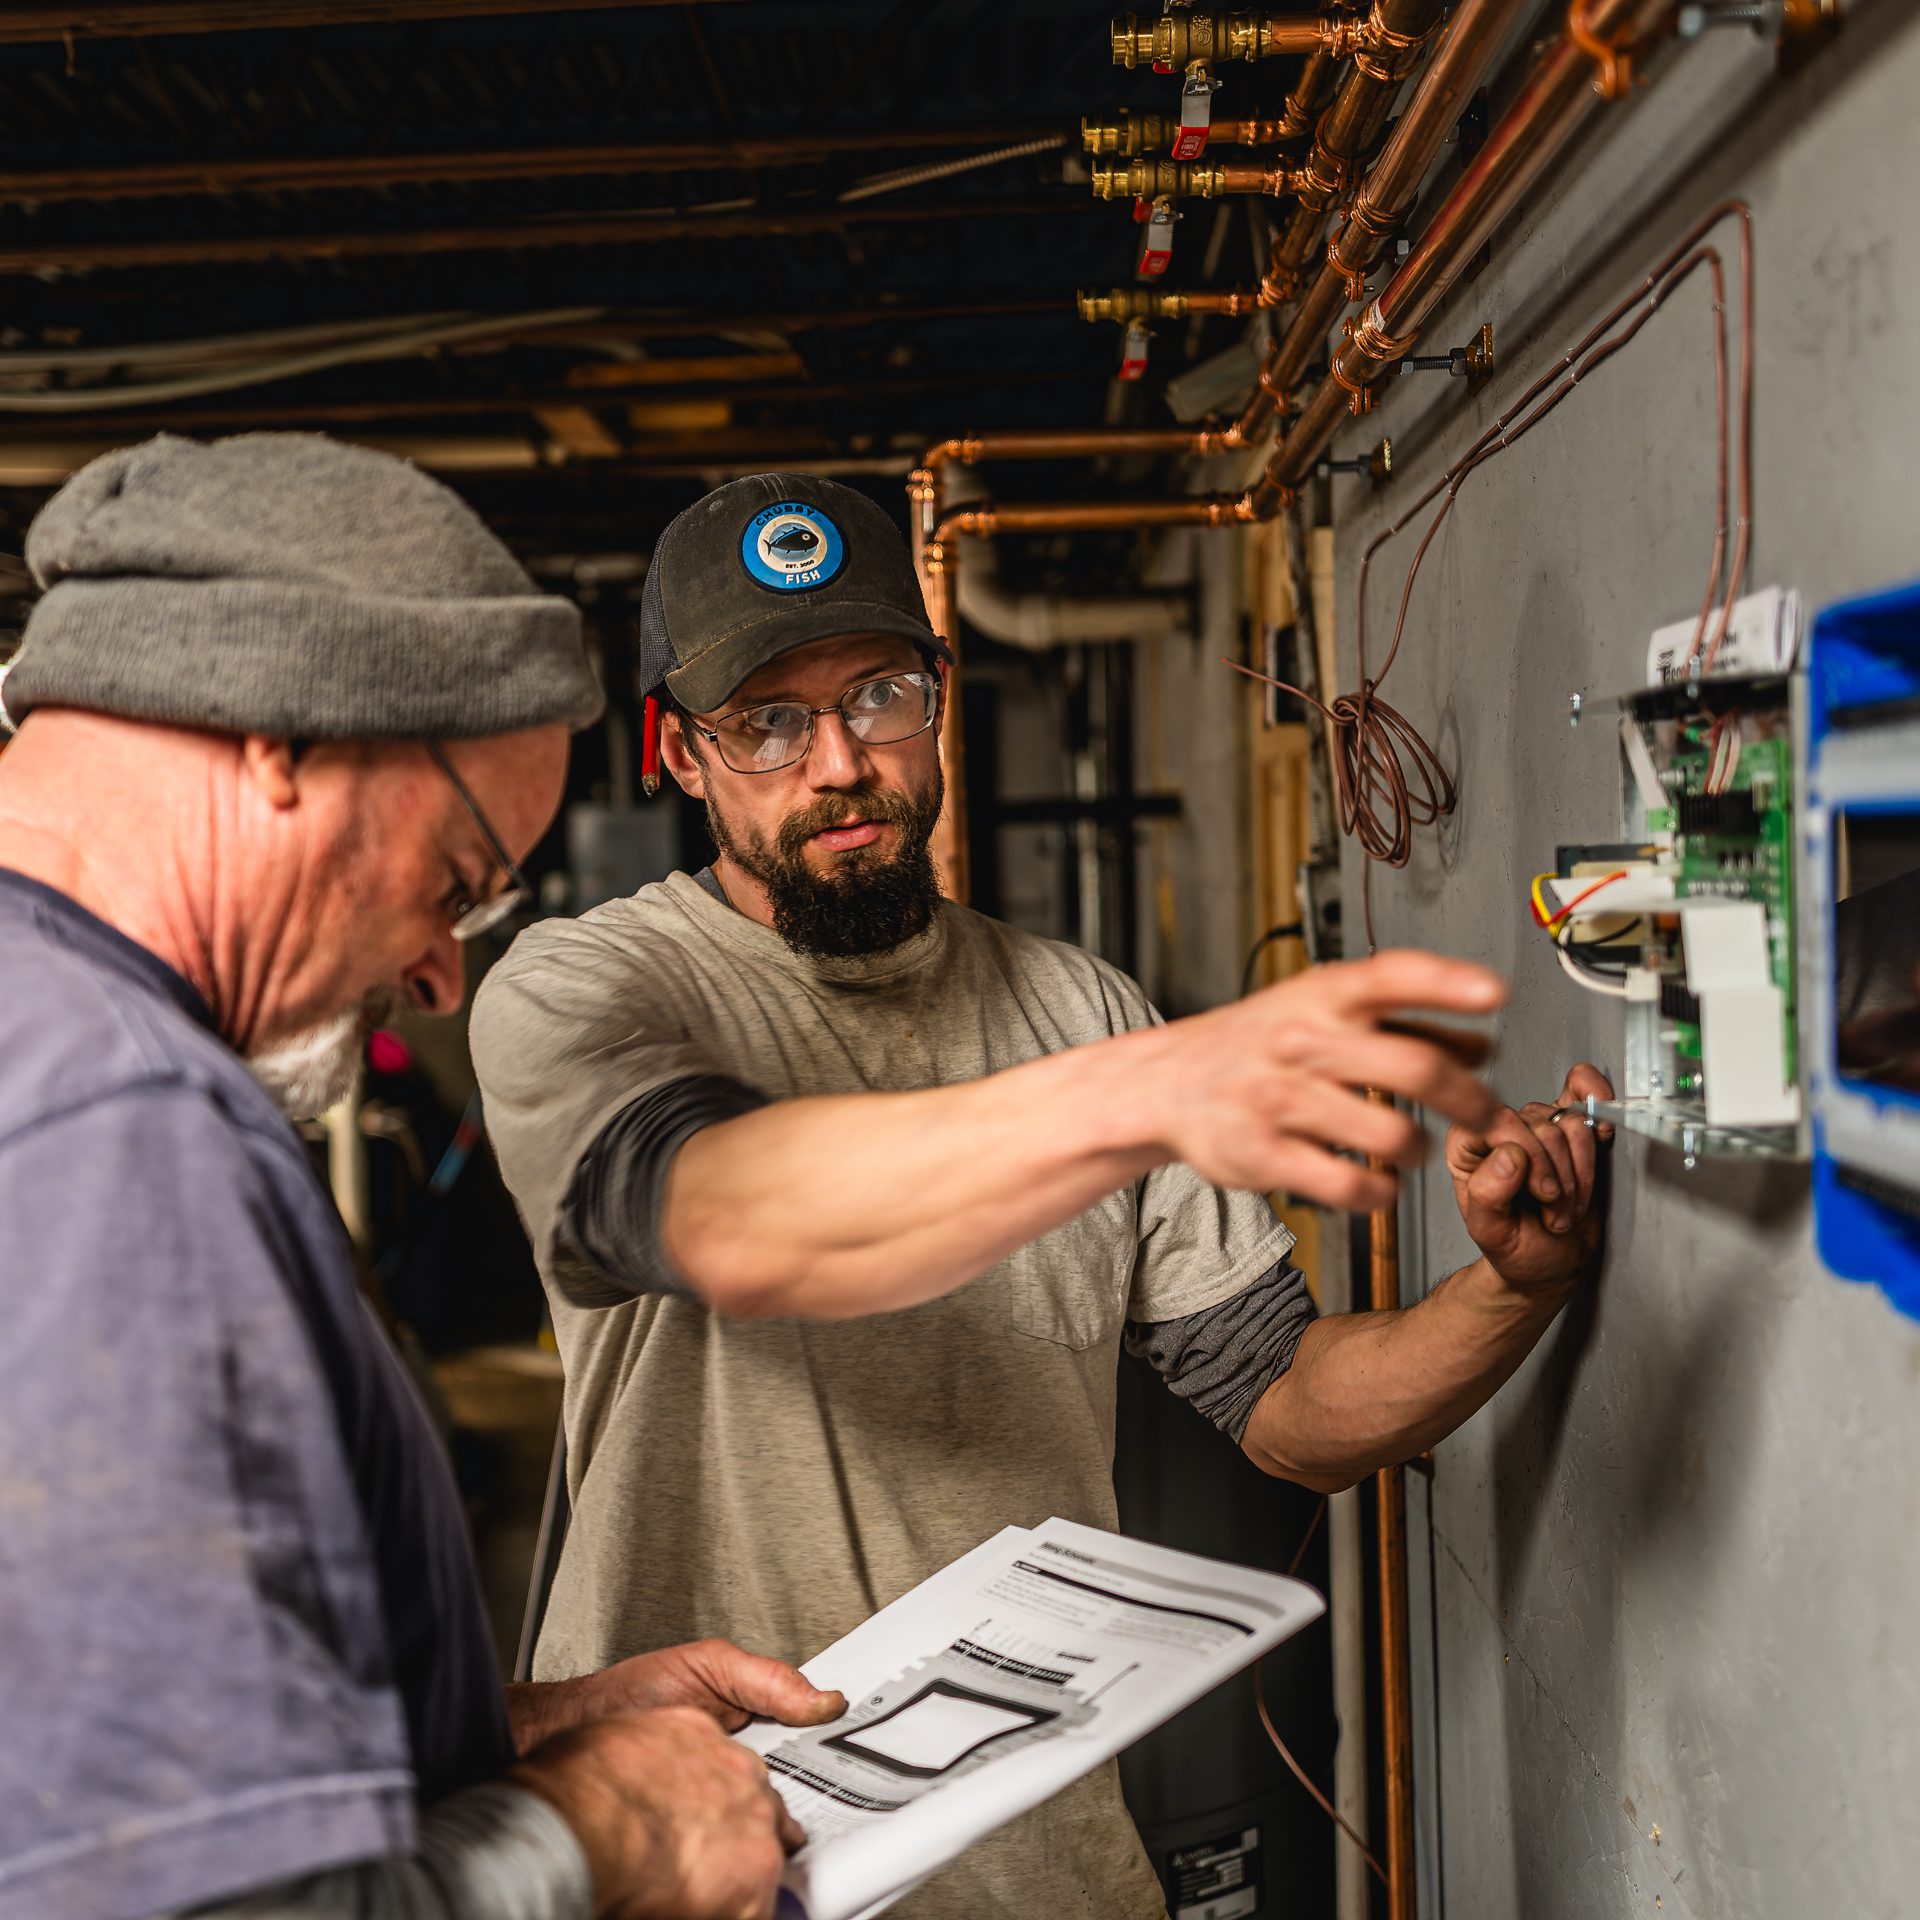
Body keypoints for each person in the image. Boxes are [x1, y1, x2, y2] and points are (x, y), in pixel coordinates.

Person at [470, 473, 1616, 1920]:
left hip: (1043, 1881)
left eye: (878, 694)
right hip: (702, 1863)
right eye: (767, 721)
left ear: (938, 698)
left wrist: (1514, 1288)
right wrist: (1142, 1093)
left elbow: (1296, 1416)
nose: (839, 763)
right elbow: (731, 1218)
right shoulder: (591, 993)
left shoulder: (1084, 1011)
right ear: (678, 756)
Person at [0, 434, 845, 1920]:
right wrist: (603, 1834)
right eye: (458, 881)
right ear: (286, 739)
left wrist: (501, 1734)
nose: (444, 978)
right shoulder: (115, 1134)